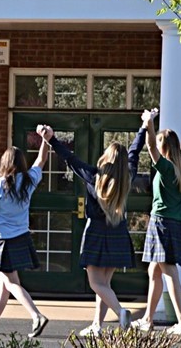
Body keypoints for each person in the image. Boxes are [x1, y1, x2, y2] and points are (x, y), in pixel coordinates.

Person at [41, 124, 135, 336]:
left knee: (95, 283)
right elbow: (135, 153)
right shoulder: (126, 178)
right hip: (117, 231)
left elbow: (70, 159)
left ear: (107, 158)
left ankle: (121, 312)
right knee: (105, 284)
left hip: (96, 231)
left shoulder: (94, 176)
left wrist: (52, 139)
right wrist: (145, 128)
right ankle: (97, 326)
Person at [129, 94, 181, 335]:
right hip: (175, 223)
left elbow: (150, 145)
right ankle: (148, 320)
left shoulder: (166, 166)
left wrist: (148, 122)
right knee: (154, 271)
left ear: (164, 148)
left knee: (169, 271)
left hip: (161, 223)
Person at [0, 146, 50, 338]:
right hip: (21, 237)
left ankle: (36, 316)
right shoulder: (29, 181)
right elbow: (41, 160)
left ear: (4, 163)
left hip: (2, 240)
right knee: (4, 282)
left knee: (9, 282)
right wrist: (45, 140)